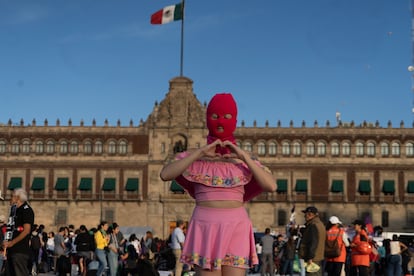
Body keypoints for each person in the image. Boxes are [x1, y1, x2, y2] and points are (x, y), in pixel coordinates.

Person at [160, 93, 276, 276]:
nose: (220, 121)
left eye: (227, 116)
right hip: (206, 225)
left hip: (237, 224)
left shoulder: (243, 161)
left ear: (235, 119)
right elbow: (165, 174)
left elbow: (271, 185)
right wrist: (200, 152)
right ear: (207, 119)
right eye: (215, 116)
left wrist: (243, 156)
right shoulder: (195, 158)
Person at [3, 188, 35, 276]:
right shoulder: (15, 211)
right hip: (11, 251)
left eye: (12, 196)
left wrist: (12, 243)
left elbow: (26, 230)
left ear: (18, 198)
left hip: (20, 250)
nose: (10, 198)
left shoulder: (26, 210)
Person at [299, 206, 326, 276]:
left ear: (312, 215)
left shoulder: (313, 225)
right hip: (317, 256)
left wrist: (310, 256)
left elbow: (314, 241)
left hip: (313, 258)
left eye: (307, 214)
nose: (305, 216)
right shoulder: (319, 224)